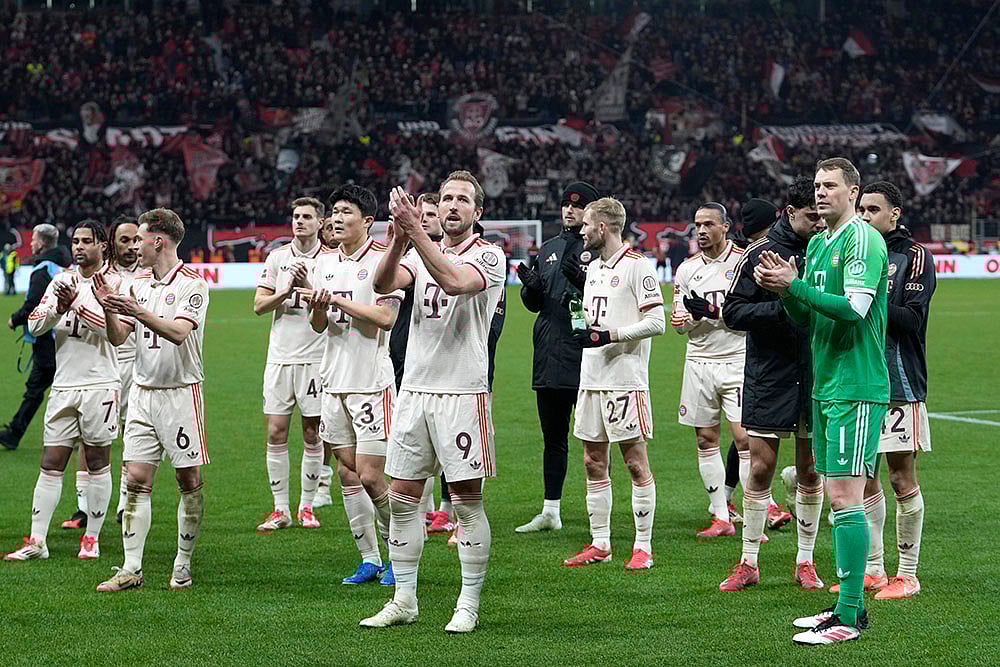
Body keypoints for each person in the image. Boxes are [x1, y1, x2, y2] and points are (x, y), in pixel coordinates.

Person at [754, 157, 889, 645]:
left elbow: (854, 310)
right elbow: (806, 318)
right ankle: (844, 605)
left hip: (856, 385)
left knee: (845, 500)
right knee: (838, 501)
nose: (820, 192)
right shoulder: (817, 244)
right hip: (826, 385)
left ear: (853, 192)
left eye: (830, 185)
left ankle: (851, 616)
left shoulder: (863, 239)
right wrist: (786, 290)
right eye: (816, 185)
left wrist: (797, 286)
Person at [364, 172, 504, 633]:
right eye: (446, 198)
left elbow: (455, 283)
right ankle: (404, 598)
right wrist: (395, 240)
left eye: (463, 200)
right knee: (404, 500)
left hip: (462, 392)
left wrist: (416, 233)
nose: (452, 205)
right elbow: (381, 282)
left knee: (465, 501)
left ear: (477, 213)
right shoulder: (420, 251)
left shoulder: (490, 254)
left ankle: (468, 603)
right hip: (415, 392)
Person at [718, 179, 828, 592]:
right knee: (761, 466)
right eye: (811, 216)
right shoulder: (760, 255)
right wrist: (783, 308)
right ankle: (748, 561)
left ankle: (805, 561)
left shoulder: (828, 249)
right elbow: (733, 312)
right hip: (770, 373)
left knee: (810, 470)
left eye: (821, 215)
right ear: (789, 212)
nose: (819, 222)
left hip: (816, 372)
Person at [94, 208, 211, 592]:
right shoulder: (138, 283)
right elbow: (118, 337)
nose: (134, 246)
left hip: (181, 394)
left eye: (139, 238)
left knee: (187, 479)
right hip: (142, 394)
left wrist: (136, 311)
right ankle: (130, 568)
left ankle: (182, 562)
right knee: (136, 480)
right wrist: (111, 309)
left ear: (158, 240)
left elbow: (178, 333)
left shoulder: (194, 283)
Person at [4, 221, 123, 561]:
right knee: (50, 461)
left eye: (87, 241)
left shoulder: (114, 284)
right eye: (75, 241)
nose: (79, 247)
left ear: (102, 246)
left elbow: (116, 335)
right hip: (64, 385)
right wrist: (58, 306)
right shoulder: (61, 281)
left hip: (100, 384)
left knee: (98, 461)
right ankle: (37, 542)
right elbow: (35, 324)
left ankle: (92, 538)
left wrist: (79, 307)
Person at [561, 197, 665, 570]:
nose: (582, 230)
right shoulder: (594, 269)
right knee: (592, 461)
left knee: (635, 463)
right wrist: (583, 324)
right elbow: (594, 322)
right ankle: (600, 543)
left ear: (603, 227)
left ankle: (643, 547)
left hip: (625, 380)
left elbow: (657, 322)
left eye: (587, 224)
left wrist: (609, 335)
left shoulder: (639, 267)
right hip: (591, 378)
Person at [308, 185, 403, 585]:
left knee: (371, 475)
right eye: (334, 211)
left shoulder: (385, 262)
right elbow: (318, 325)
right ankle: (368, 558)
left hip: (370, 383)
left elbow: (386, 319)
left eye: (346, 211)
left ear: (367, 221)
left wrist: (339, 303)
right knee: (347, 472)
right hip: (333, 382)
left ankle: (398, 553)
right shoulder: (323, 263)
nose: (336, 218)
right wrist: (316, 307)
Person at [850, 181, 934, 601]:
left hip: (899, 379)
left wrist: (865, 298)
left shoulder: (914, 257)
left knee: (901, 477)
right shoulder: (853, 252)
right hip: (859, 380)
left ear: (894, 214)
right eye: (861, 209)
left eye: (873, 210)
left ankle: (909, 573)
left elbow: (912, 320)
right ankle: (874, 569)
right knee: (864, 478)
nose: (864, 216)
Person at [513, 181, 599, 533]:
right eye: (565, 204)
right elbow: (537, 305)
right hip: (548, 352)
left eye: (577, 206)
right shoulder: (548, 248)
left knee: (596, 441)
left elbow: (606, 301)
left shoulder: (601, 250)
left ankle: (600, 515)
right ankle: (551, 511)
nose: (569, 211)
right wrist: (531, 290)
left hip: (587, 355)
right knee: (553, 437)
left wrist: (582, 280)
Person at [670, 203, 752, 538]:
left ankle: (755, 514)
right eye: (697, 225)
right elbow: (680, 323)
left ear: (726, 227)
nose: (701, 231)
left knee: (745, 440)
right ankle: (721, 517)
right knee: (705, 439)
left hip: (738, 360)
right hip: (699, 363)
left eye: (708, 225)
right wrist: (688, 318)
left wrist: (716, 313)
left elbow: (751, 316)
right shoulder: (687, 270)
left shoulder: (744, 261)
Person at [61, 216, 143, 530]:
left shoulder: (149, 274)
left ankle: (125, 502)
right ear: (111, 244)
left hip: (141, 364)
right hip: (105, 361)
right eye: (125, 240)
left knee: (135, 433)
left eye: (137, 239)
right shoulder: (99, 275)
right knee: (91, 437)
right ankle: (84, 507)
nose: (133, 246)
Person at [253, 197, 328, 531]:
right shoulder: (278, 258)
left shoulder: (329, 260)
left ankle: (307, 506)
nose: (300, 222)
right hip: (280, 357)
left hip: (316, 358)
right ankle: (280, 509)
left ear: (320, 223)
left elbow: (329, 312)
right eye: (296, 216)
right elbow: (259, 306)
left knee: (313, 432)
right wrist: (285, 290)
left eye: (307, 217)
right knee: (276, 430)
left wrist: (307, 287)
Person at [1, 224, 71, 451]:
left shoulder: (42, 269)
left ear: (41, 243)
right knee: (68, 384)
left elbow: (33, 304)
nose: (30, 244)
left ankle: (14, 433)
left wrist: (15, 319)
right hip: (68, 335)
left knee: (36, 387)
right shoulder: (65, 265)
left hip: (48, 337)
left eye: (34, 240)